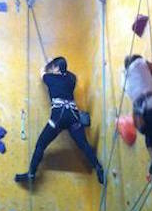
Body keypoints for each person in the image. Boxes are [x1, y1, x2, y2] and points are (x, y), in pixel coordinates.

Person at [15, 56, 105, 186]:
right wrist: (60, 68)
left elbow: (42, 71)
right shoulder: (72, 79)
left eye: (53, 67)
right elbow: (67, 73)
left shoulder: (49, 78)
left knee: (41, 144)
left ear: (56, 68)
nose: (51, 70)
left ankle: (31, 174)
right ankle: (98, 167)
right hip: (73, 117)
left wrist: (49, 63)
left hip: (58, 118)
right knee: (84, 145)